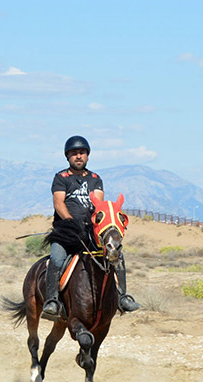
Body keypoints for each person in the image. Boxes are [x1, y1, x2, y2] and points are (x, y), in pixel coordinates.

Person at [41, 135, 140, 320]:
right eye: (74, 153)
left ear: (87, 155)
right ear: (67, 157)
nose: (78, 156)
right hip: (66, 231)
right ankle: (52, 301)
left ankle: (123, 297)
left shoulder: (95, 179)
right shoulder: (61, 178)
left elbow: (99, 205)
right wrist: (72, 222)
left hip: (89, 232)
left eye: (82, 153)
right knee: (56, 257)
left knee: (116, 255)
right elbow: (59, 203)